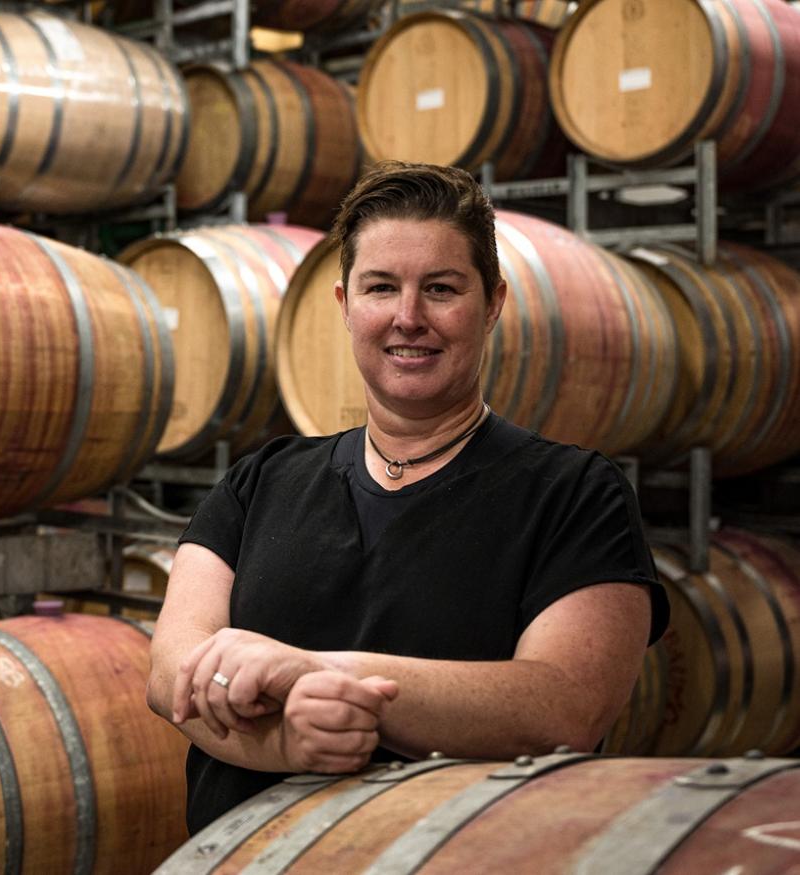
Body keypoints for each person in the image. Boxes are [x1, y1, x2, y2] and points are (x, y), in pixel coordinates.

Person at [146, 161, 670, 834]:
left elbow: (564, 707)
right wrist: (289, 742)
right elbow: (171, 677)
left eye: (442, 288)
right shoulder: (261, 480)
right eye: (381, 287)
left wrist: (324, 674)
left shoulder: (574, 494)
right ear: (344, 305)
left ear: (493, 303)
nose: (408, 316)